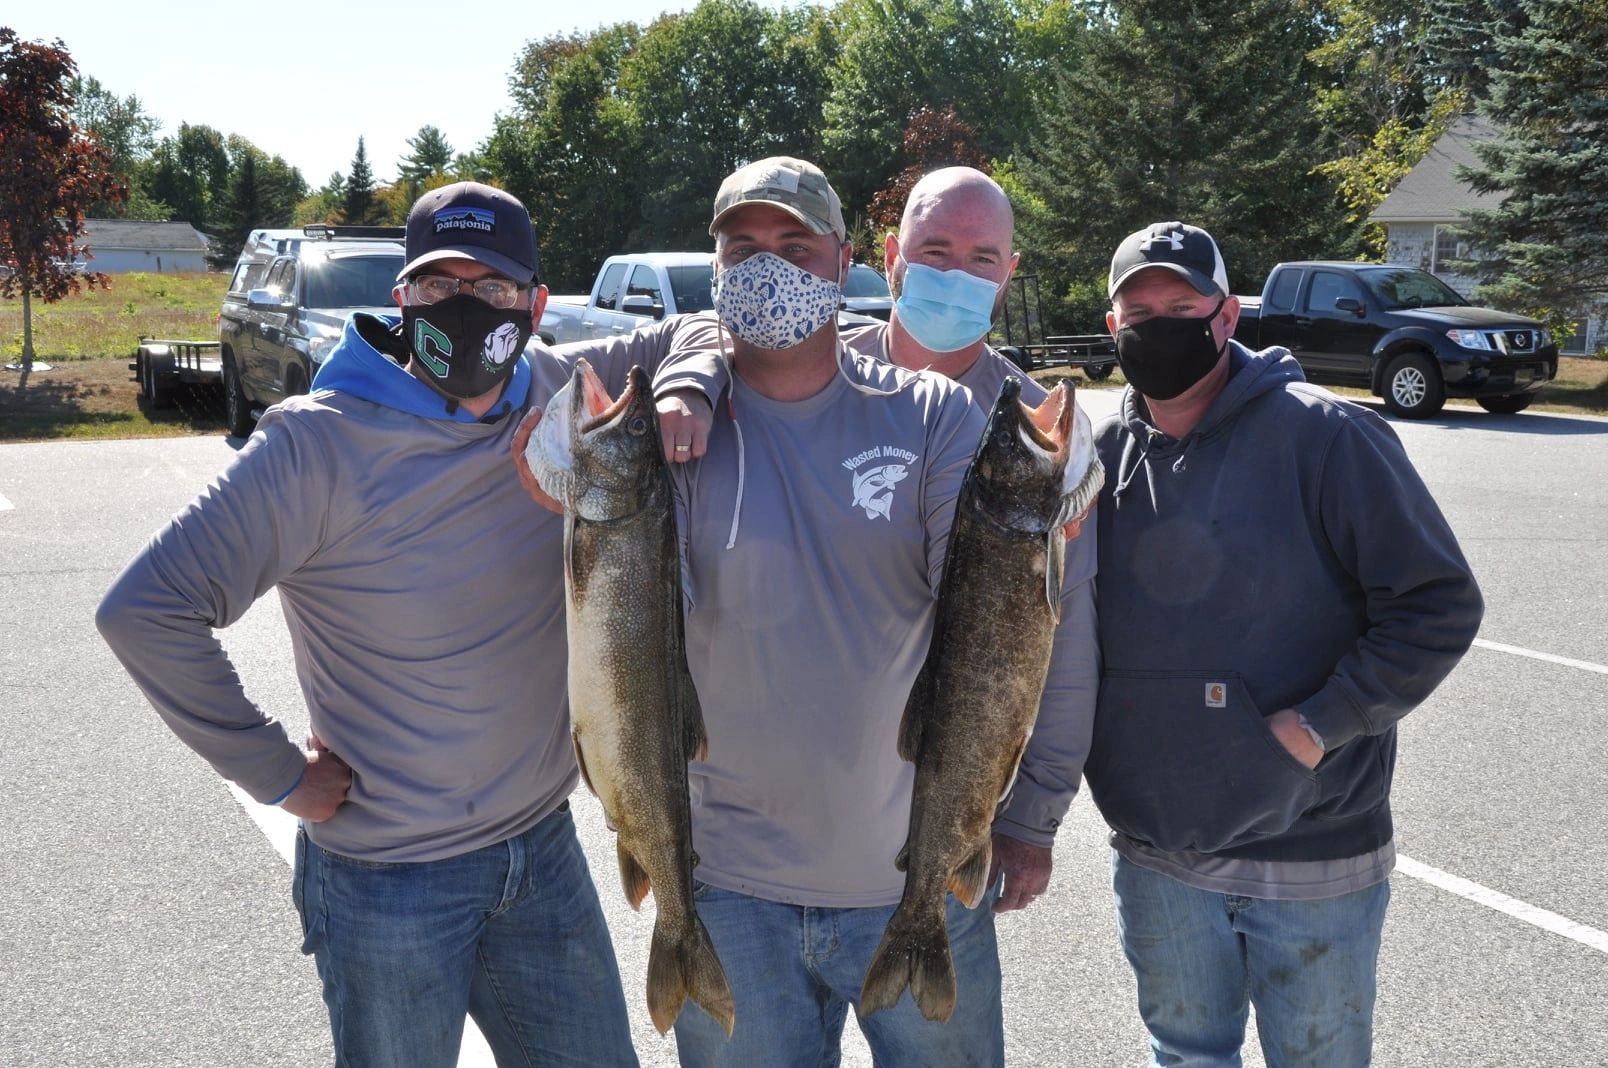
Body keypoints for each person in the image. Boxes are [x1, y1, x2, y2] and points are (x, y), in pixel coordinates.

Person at [95, 181, 703, 1067]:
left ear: (537, 306)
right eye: (437, 285)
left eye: (492, 290)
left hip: (542, 857)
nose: (463, 309)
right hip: (388, 882)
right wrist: (275, 771)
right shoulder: (315, 447)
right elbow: (145, 610)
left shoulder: (562, 393)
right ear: (402, 298)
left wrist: (688, 390)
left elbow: (694, 332)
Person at [543, 156, 998, 1065]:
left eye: (794, 245)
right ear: (713, 269)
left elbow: (997, 628)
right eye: (742, 246)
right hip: (723, 890)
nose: (769, 265)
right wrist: (691, 362)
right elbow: (516, 385)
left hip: (907, 875)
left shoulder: (934, 414)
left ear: (843, 262)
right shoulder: (661, 432)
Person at [1082, 221, 1484, 1066]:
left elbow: (1437, 604)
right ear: (1112, 327)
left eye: (1180, 306)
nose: (1156, 326)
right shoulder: (1097, 459)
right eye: (1137, 310)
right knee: (1185, 1053)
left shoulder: (1328, 436)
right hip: (1160, 853)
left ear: (1226, 316)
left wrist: (1314, 726)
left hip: (1313, 851)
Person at [838, 165, 1098, 913]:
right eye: (935, 250)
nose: (957, 273)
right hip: (782, 831)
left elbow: (1069, 641)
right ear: (891, 256)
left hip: (953, 821)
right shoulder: (808, 382)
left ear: (1008, 275)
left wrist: (1032, 818)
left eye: (983, 258)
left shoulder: (1043, 439)